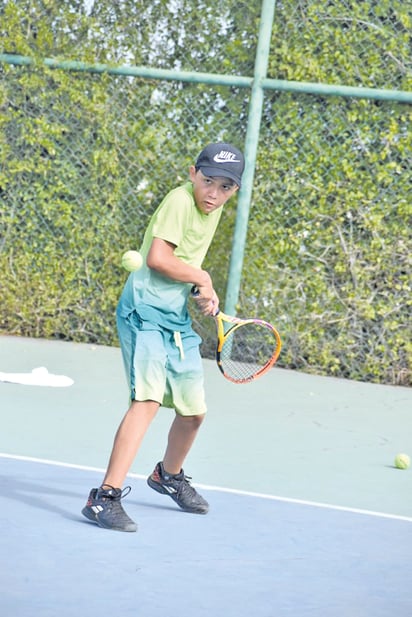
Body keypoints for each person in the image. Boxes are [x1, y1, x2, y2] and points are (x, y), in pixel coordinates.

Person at [81, 142, 245, 532]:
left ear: (234, 190)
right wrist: (202, 278)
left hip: (173, 317)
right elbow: (157, 258)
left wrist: (197, 288)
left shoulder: (212, 211)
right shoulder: (180, 201)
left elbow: (182, 263)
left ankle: (167, 476)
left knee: (193, 412)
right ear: (193, 174)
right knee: (148, 401)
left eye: (225, 187)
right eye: (208, 182)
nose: (214, 193)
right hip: (143, 313)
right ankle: (104, 498)